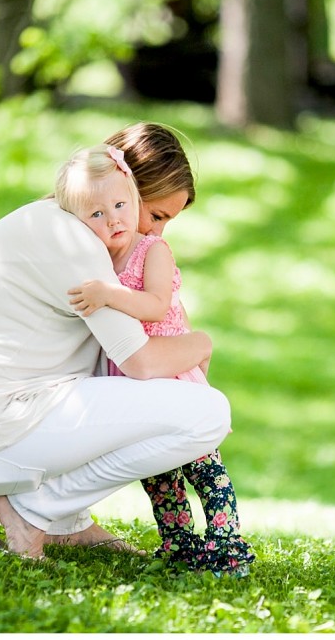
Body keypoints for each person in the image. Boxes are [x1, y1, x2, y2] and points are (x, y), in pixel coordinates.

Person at [0, 130, 231, 561]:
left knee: (109, 379)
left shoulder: (50, 220)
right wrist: (203, 344)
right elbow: (141, 362)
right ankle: (36, 513)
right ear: (125, 191)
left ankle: (67, 524)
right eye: (155, 216)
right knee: (208, 413)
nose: (157, 233)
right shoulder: (77, 243)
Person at [57, 144, 254, 576]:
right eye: (158, 217)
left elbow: (156, 305)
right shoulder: (102, 251)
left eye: (167, 221)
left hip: (170, 369)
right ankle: (179, 543)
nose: (159, 231)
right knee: (158, 471)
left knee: (203, 464)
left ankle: (225, 544)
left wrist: (107, 294)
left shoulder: (152, 252)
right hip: (132, 379)